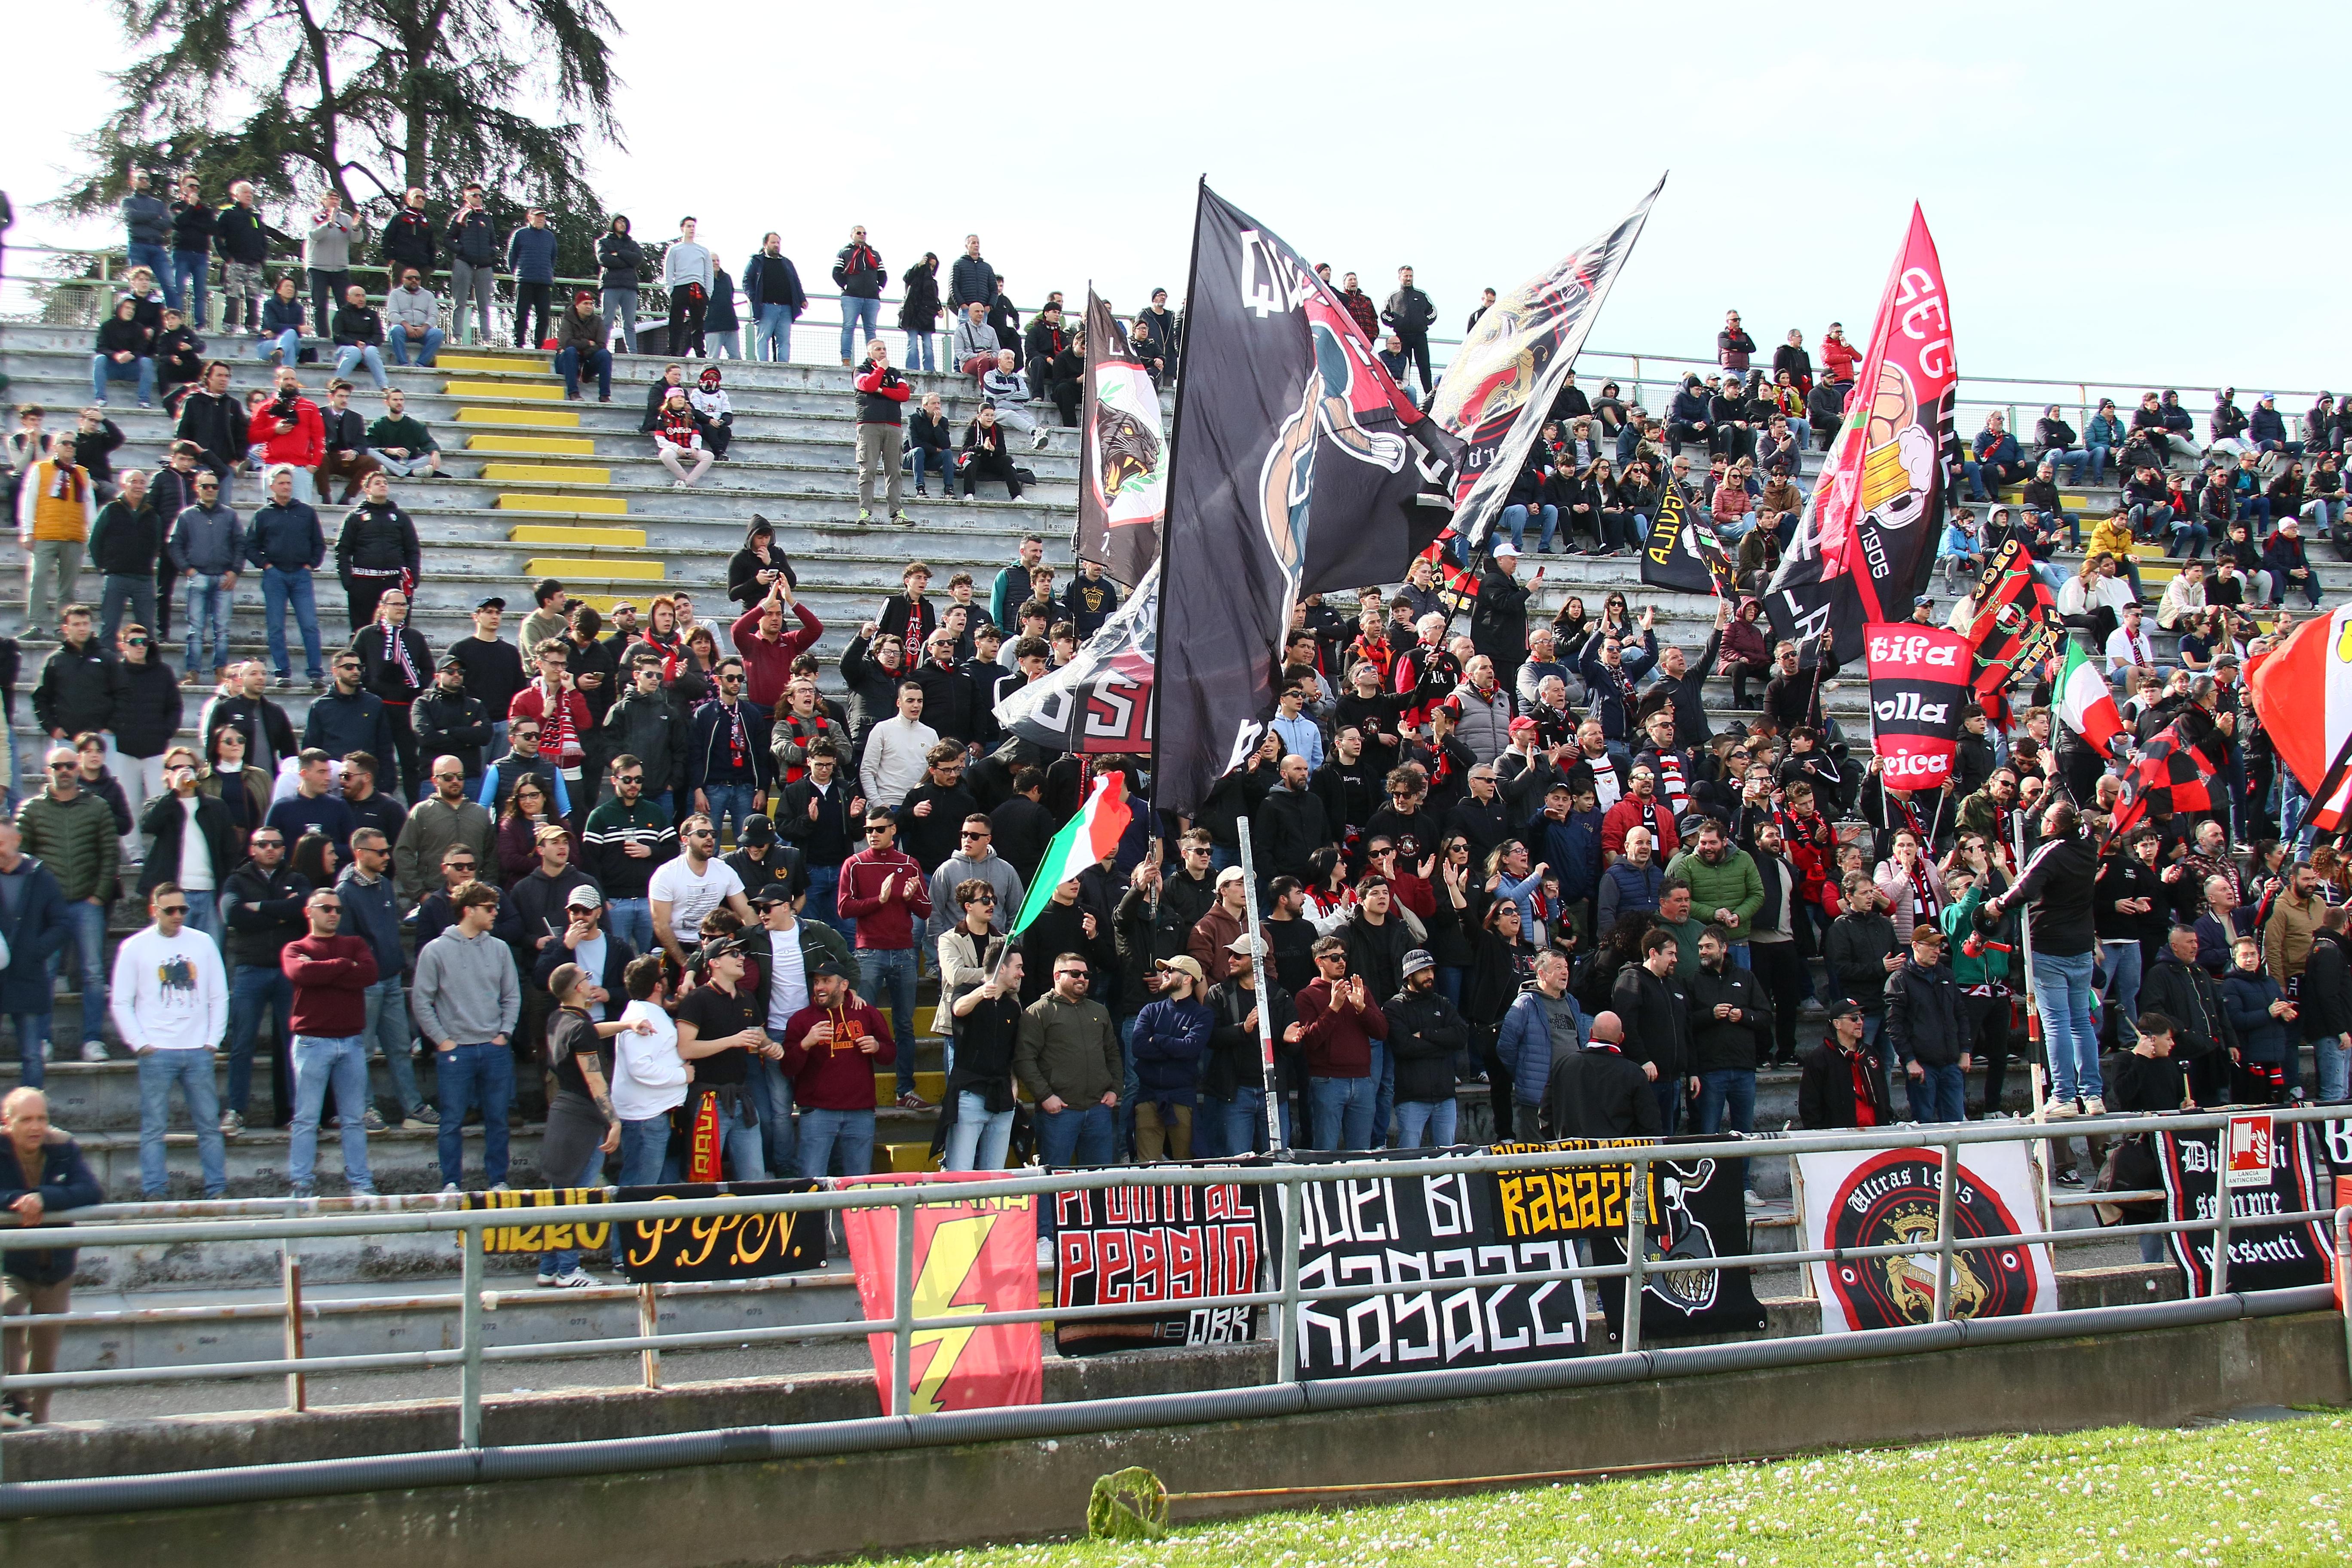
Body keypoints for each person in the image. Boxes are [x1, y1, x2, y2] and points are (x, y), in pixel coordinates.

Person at [110, 877, 232, 1203]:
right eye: (170, 910)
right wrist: (140, 1043)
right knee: (154, 1127)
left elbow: (219, 994)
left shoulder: (203, 942)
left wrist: (213, 1040)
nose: (178, 915)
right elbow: (121, 1001)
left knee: (209, 1125)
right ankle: (155, 1191)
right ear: (154, 911)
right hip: (157, 1050)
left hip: (197, 1049)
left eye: (183, 909)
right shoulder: (134, 947)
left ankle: (217, 1189)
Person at [1979, 798, 2101, 1118]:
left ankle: (2063, 1095)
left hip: (2049, 947)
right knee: (2081, 1022)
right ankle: (2093, 1094)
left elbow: (2025, 888)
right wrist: (2055, 777)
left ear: (2051, 825)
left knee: (2057, 1023)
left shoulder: (2052, 852)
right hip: (2081, 948)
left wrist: (1997, 905)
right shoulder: (2088, 848)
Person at [0, 1086, 104, 1429]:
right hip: (9, 1261)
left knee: (46, 1350)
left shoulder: (62, 1145)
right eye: (26, 1120)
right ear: (7, 1122)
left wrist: (43, 1198)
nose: (36, 1127)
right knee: (7, 1310)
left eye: (41, 1119)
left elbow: (91, 1190)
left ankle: (40, 1420)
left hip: (56, 1267)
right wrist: (16, 1201)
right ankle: (14, 1401)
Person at [412, 879, 522, 1192]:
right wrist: (443, 1040)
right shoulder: (436, 950)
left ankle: (498, 1180)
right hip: (456, 1050)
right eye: (489, 908)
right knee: (451, 1121)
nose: (496, 913)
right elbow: (421, 999)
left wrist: (504, 1033)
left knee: (498, 1120)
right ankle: (451, 1183)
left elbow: (512, 995)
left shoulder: (500, 949)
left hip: (494, 1047)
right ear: (469, 910)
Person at [18, 743, 119, 1063]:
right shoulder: (31, 810)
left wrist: (99, 895)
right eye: (57, 766)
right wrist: (37, 901)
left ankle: (93, 1040)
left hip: (87, 903)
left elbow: (110, 854)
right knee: (45, 973)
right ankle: (43, 1039)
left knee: (93, 974)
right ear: (47, 771)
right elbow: (22, 859)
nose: (64, 772)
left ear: (79, 769)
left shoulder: (98, 807)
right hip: (49, 909)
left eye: (70, 766)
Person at [281, 885, 378, 1197]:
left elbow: (369, 974)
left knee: (354, 1120)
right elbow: (301, 974)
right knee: (306, 1119)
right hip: (312, 1041)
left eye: (338, 909)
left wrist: (322, 969)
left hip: (351, 1041)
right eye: (326, 908)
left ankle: (361, 1183)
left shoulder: (355, 943)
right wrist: (343, 964)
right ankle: (301, 1185)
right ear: (309, 912)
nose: (334, 914)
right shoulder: (295, 948)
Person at [1016, 950, 1121, 1165]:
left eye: (1086, 975)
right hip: (1058, 1112)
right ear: (1057, 975)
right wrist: (1045, 1096)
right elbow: (1024, 1059)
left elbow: (1112, 1053)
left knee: (1100, 1180)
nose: (1082, 979)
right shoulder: (1038, 1012)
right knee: (1055, 1178)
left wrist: (1115, 1089)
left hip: (1099, 1110)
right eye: (1075, 974)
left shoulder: (1099, 1011)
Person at [18, 435, 96, 633]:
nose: (70, 447)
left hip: (74, 536)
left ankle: (63, 627)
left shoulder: (82, 473)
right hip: (45, 534)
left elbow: (90, 506)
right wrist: (28, 532)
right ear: (55, 447)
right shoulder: (40, 469)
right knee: (38, 578)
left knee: (68, 586)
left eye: (73, 444)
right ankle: (36, 624)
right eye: (65, 443)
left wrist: (92, 535)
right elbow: (29, 501)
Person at [333, 469, 418, 633]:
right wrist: (348, 582)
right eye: (377, 483)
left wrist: (413, 579)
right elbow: (342, 549)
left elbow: (413, 549)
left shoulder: (401, 517)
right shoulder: (355, 517)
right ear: (367, 489)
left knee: (398, 631)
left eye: (385, 483)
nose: (383, 485)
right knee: (363, 631)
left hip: (395, 582)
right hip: (364, 583)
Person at [1798, 999, 1893, 1128]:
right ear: (1837, 1024)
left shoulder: (1871, 1054)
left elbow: (1884, 1097)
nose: (1860, 1022)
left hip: (1876, 1133)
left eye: (1862, 1017)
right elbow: (1809, 1105)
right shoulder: (1819, 1058)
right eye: (1854, 1018)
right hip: (1838, 1136)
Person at [852, 338, 911, 525]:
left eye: (884, 349)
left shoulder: (895, 373)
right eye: (878, 349)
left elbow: (904, 395)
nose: (883, 352)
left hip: (893, 426)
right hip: (869, 425)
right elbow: (868, 386)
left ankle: (897, 513)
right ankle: (865, 511)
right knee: (868, 469)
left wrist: (881, 390)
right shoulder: (861, 370)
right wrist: (880, 371)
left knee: (894, 471)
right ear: (870, 353)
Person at [505, 205, 558, 349]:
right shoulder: (520, 234)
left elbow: (553, 258)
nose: (541, 219)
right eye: (538, 216)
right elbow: (512, 257)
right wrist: (518, 274)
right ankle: (519, 344)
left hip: (544, 281)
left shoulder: (550, 237)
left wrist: (548, 272)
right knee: (522, 314)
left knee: (543, 316)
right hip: (525, 280)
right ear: (529, 218)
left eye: (543, 217)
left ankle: (539, 345)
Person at [832, 224, 885, 364]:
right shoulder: (844, 252)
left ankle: (874, 361)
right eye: (859, 233)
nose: (862, 235)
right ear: (852, 236)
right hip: (851, 297)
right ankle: (846, 359)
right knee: (849, 327)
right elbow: (836, 273)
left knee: (871, 330)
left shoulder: (874, 254)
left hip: (872, 298)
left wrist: (878, 288)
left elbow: (883, 274)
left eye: (864, 233)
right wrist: (846, 286)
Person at [595, 214, 644, 354]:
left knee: (630, 323)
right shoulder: (603, 242)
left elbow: (638, 259)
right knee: (607, 321)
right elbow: (604, 259)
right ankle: (601, 351)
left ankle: (633, 354)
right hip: (610, 286)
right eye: (619, 222)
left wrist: (620, 254)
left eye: (624, 222)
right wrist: (627, 262)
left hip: (630, 287)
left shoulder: (633, 244)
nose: (622, 224)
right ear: (613, 224)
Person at [553, 291, 612, 403]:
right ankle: (574, 393)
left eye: (591, 304)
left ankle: (605, 396)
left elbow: (601, 345)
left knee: (605, 354)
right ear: (577, 306)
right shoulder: (568, 319)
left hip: (586, 362)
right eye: (585, 304)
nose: (589, 307)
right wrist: (588, 343)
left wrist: (583, 353)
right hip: (566, 361)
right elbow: (567, 343)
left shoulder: (598, 321)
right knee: (571, 351)